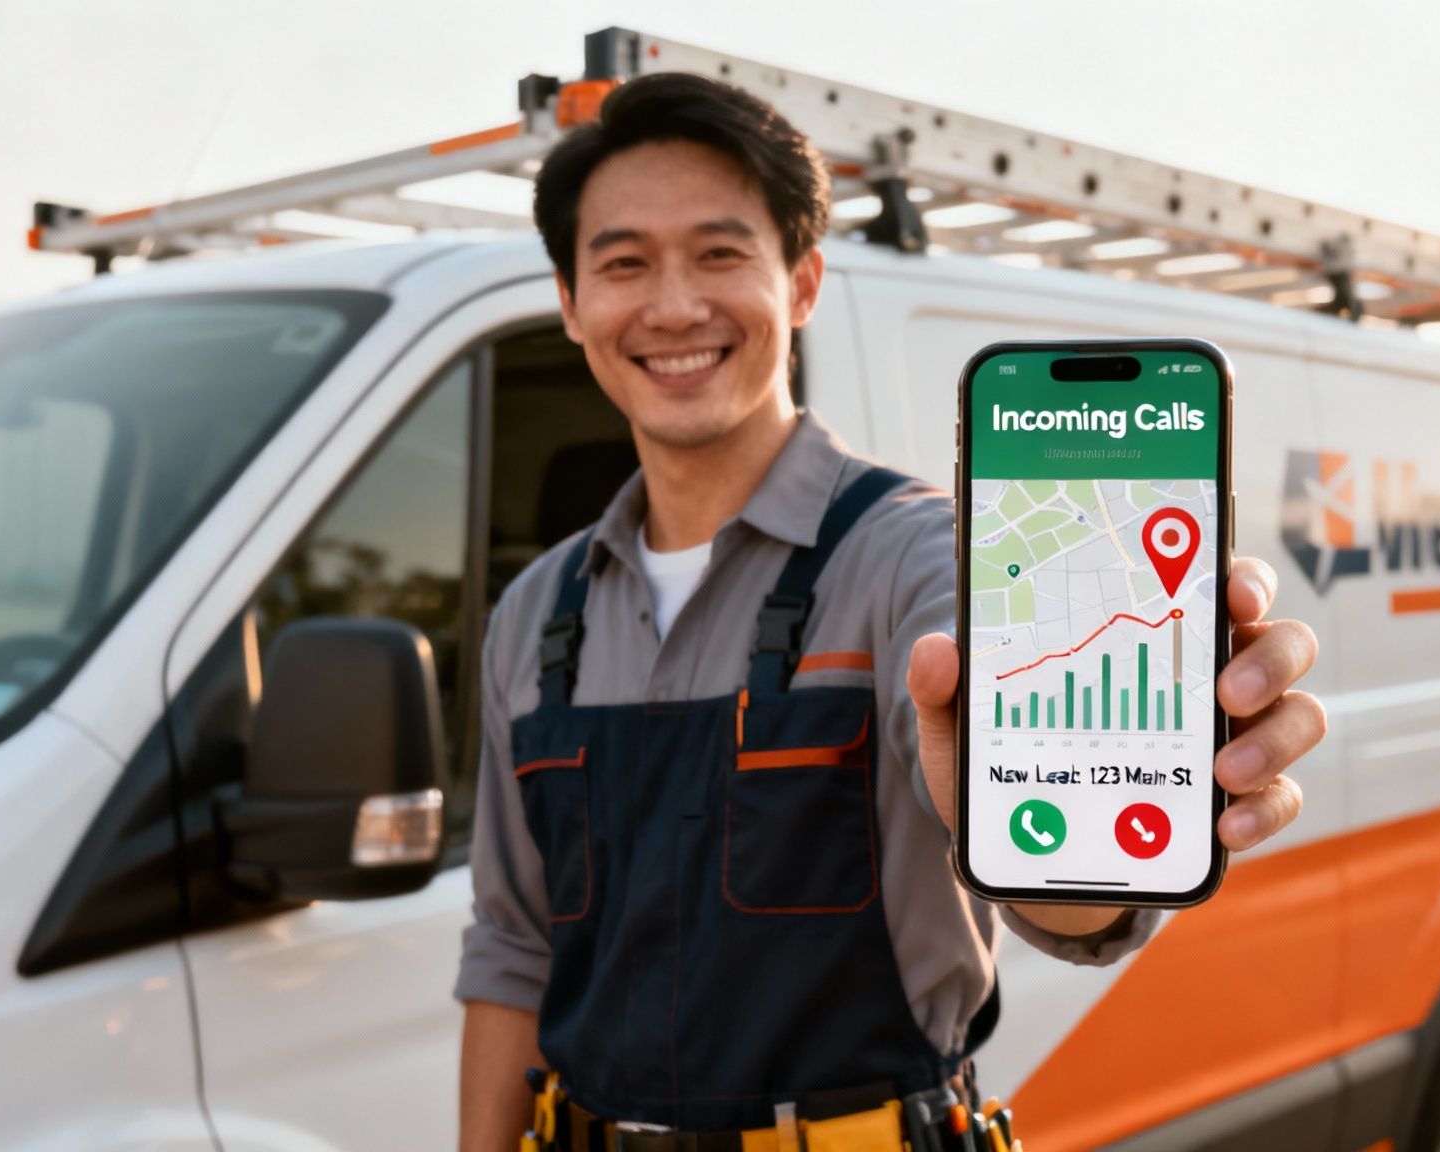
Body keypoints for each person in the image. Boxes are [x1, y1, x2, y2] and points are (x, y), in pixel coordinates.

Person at [455, 72, 1325, 1151]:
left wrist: (1062, 809)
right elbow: (512, 949)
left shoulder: (921, 558)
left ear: (802, 282)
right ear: (571, 302)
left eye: (720, 254)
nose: (673, 306)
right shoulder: (535, 614)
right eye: (624, 263)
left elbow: (1079, 907)